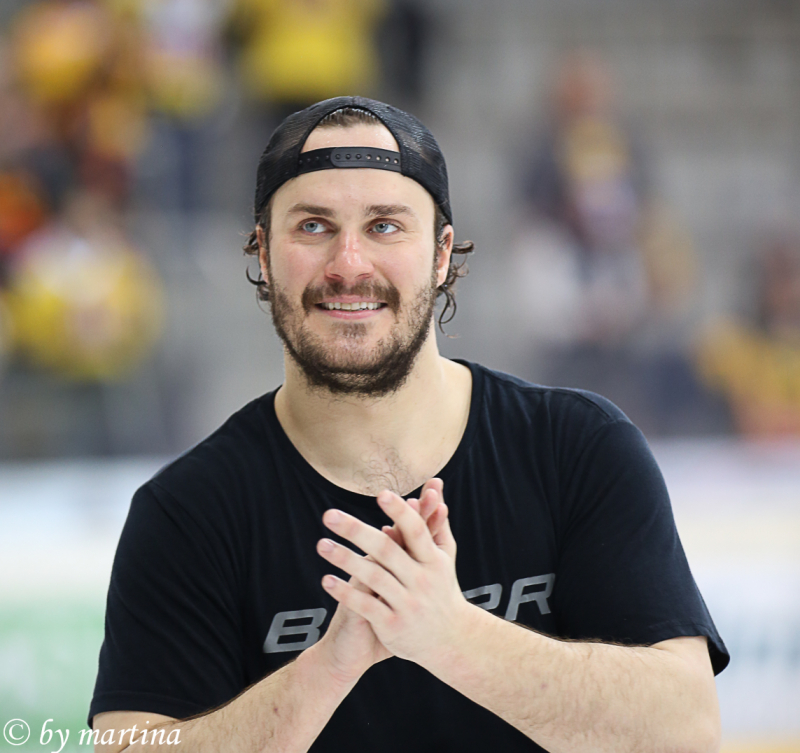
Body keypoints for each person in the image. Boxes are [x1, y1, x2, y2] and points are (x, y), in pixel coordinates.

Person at [89, 96, 728, 753]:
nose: (349, 263)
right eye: (313, 226)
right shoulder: (188, 513)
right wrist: (327, 668)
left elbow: (686, 730)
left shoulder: (577, 449)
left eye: (385, 226)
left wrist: (452, 635)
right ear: (264, 251)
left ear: (442, 252)